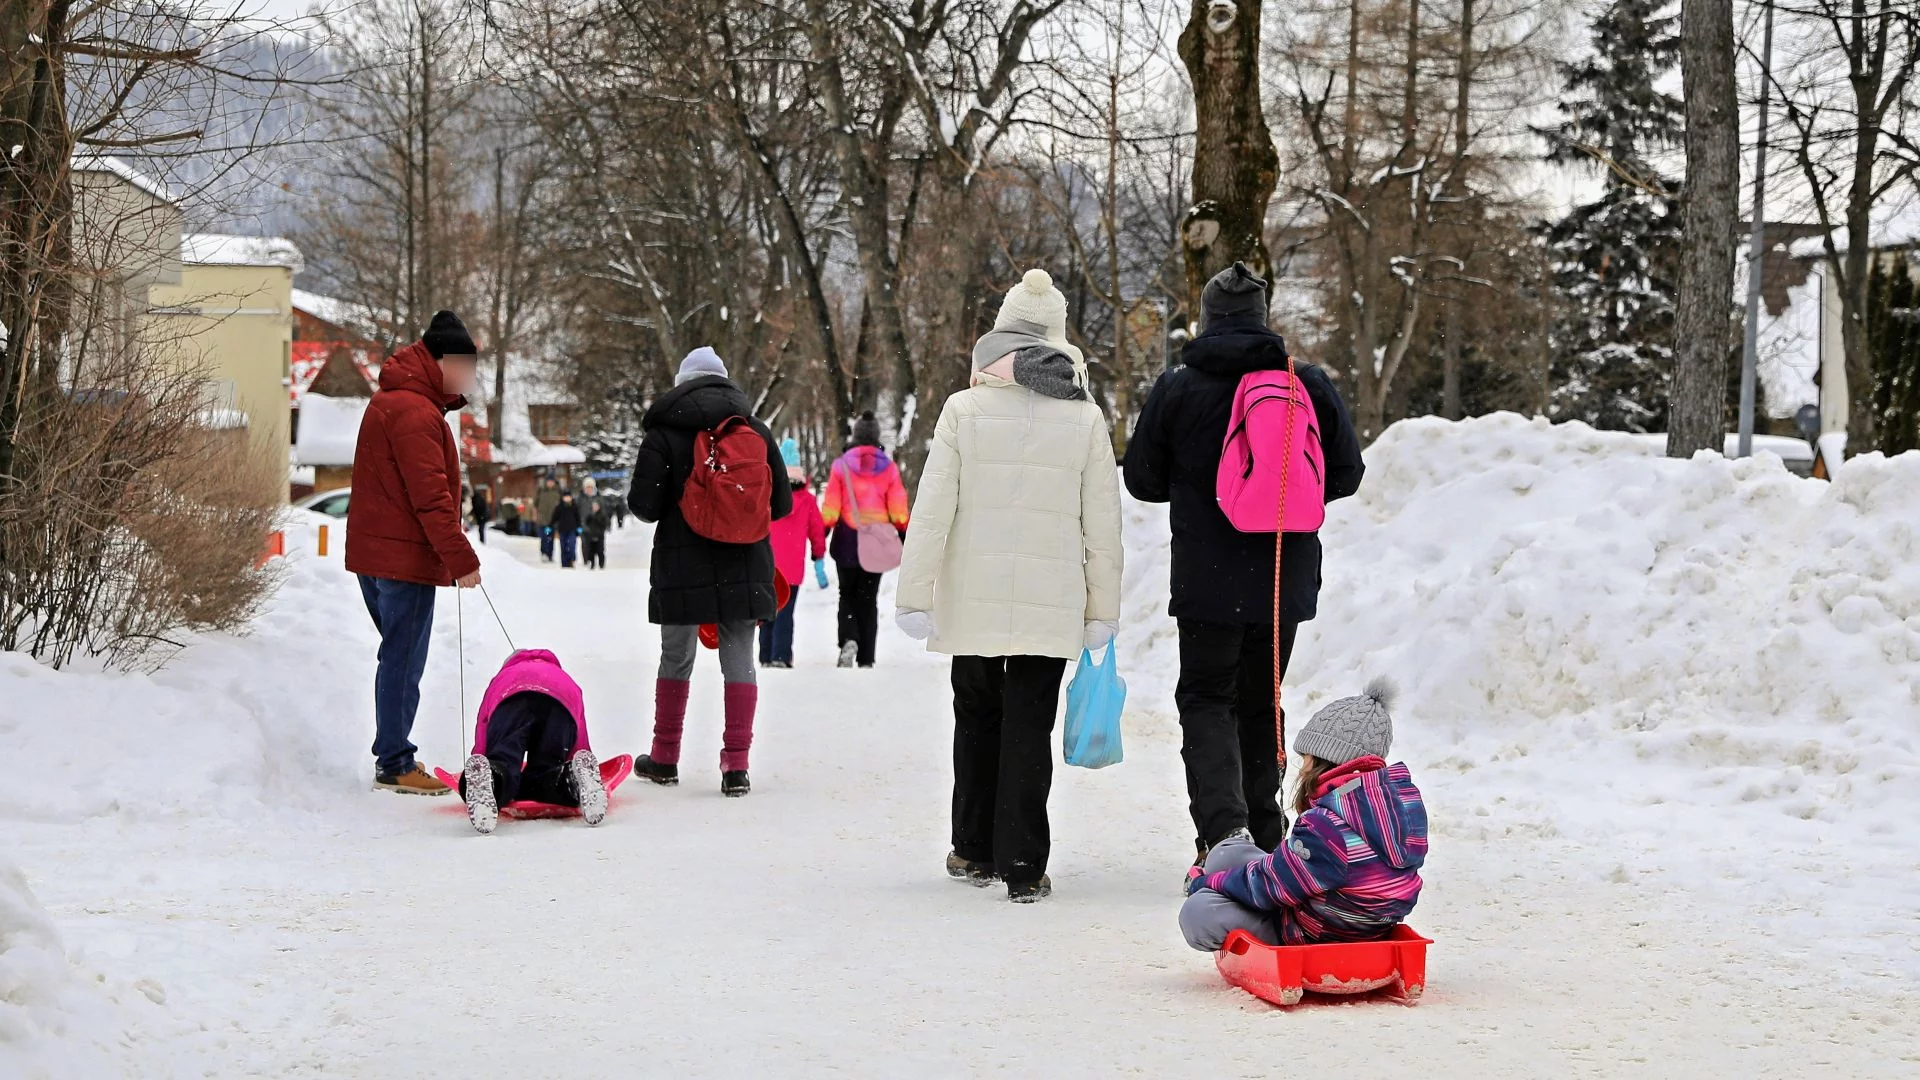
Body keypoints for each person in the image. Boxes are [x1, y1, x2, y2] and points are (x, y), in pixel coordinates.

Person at [1123, 262, 1364, 867]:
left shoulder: (1178, 387)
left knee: (1207, 699)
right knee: (1261, 700)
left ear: (1206, 320)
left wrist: (1202, 486)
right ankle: (1265, 831)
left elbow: (1141, 478)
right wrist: (1279, 500)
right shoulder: (1303, 381)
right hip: (1283, 574)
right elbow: (1346, 473)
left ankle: (1223, 833)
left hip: (1206, 577)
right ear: (1264, 319)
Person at [896, 268, 1123, 903]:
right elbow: (1101, 526)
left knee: (975, 715)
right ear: (1058, 340)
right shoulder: (1083, 420)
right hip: (1050, 605)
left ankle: (971, 847)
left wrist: (914, 593)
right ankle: (1023, 863)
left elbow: (933, 508)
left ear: (999, 338)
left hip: (971, 597)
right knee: (1029, 724)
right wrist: (1102, 608)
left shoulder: (963, 411)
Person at [628, 346, 791, 796]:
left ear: (683, 383)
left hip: (682, 564)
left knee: (676, 656)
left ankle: (664, 758)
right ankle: (736, 766)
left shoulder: (664, 432)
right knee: (739, 657)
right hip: (745, 561)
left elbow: (643, 507)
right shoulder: (753, 430)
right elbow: (782, 504)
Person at [345, 309, 483, 796]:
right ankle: (395, 762)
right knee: (403, 658)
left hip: (380, 553)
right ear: (442, 360)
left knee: (397, 655)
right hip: (401, 557)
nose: (470, 378)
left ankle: (394, 754)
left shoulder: (401, 400)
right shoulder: (415, 413)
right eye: (466, 367)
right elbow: (430, 498)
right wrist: (460, 558)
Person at [1179, 680, 1426, 950]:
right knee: (1228, 854)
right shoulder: (1405, 805)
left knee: (1198, 911)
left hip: (1314, 934)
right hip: (1370, 927)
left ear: (1323, 758)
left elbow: (1270, 887)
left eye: (1306, 756)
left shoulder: (1326, 826)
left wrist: (1206, 883)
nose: (1302, 765)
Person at [458, 649, 608, 835]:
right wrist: (578, 757)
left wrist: (482, 756)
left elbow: (484, 722)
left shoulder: (503, 676)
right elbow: (579, 725)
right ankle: (572, 778)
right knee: (544, 774)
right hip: (559, 701)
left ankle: (492, 776)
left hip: (510, 697)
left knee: (504, 762)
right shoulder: (563, 676)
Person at [820, 410, 908, 668]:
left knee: (846, 594)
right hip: (876, 543)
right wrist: (903, 532)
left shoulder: (841, 466)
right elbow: (898, 508)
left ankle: (849, 638)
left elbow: (832, 505)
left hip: (847, 539)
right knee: (868, 598)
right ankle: (867, 656)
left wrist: (823, 529)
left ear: (856, 437)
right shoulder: (889, 469)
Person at [760, 438, 827, 668]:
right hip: (792, 568)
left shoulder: (766, 496)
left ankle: (766, 656)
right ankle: (781, 656)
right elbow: (817, 531)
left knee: (766, 611)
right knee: (785, 612)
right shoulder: (807, 500)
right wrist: (818, 555)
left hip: (767, 564)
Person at [551, 491, 582, 568]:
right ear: (563, 498)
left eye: (569, 497)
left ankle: (571, 560)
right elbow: (554, 518)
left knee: (571, 545)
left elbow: (578, 518)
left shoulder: (574, 506)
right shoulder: (559, 507)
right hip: (562, 529)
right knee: (563, 546)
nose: (567, 498)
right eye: (565, 497)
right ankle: (564, 563)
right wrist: (550, 525)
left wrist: (579, 528)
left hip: (572, 529)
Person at [534, 477, 562, 561]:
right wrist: (535, 516)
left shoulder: (557, 492)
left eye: (551, 482)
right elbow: (536, 505)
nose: (550, 483)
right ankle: (544, 553)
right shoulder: (541, 492)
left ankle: (550, 554)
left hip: (552, 520)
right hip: (542, 520)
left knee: (550, 538)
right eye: (548, 482)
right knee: (544, 537)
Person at [582, 496, 611, 569]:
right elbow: (587, 522)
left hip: (600, 535)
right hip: (591, 535)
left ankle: (601, 564)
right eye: (594, 506)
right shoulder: (590, 514)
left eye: (596, 506)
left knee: (600, 550)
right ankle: (592, 564)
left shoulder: (602, 515)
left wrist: (598, 520)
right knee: (591, 551)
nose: (595, 508)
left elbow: (605, 524)